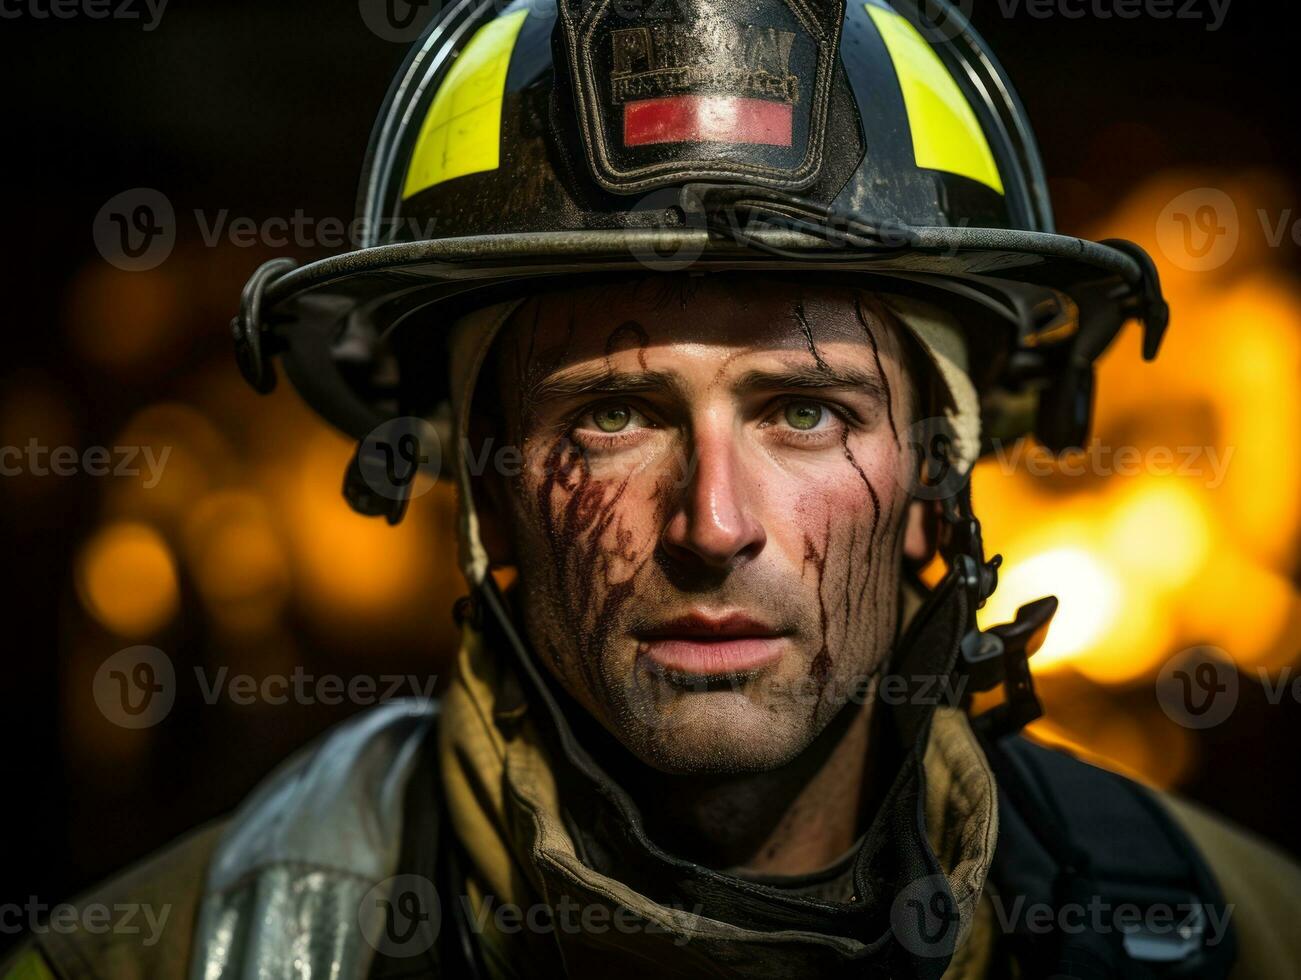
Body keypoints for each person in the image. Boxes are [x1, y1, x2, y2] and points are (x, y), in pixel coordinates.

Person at [6, 0, 1300, 977]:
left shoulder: (1233, 930)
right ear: (486, 489)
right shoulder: (177, 950)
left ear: (935, 476)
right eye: (614, 416)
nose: (713, 526)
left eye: (803, 412)